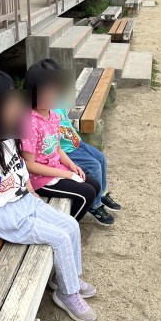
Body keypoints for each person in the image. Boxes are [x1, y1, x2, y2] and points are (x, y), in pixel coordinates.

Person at [0, 69, 97, 321]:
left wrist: (30, 190)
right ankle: (67, 293)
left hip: (24, 200)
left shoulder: (8, 134)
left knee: (71, 225)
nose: (17, 106)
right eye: (9, 101)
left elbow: (20, 168)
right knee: (60, 238)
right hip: (4, 215)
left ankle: (68, 278)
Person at [36, 61, 121, 226]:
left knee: (101, 157)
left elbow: (66, 120)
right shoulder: (45, 108)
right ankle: (95, 205)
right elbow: (50, 141)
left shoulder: (58, 100)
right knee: (94, 166)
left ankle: (102, 193)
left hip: (76, 142)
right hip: (67, 150)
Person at [22, 59, 103, 223]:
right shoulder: (29, 122)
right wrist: (66, 174)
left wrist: (72, 166)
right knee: (87, 194)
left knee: (95, 185)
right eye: (46, 91)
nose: (52, 95)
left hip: (56, 169)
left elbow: (58, 149)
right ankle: (64, 226)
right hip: (40, 179)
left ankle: (63, 223)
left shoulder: (53, 115)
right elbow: (29, 164)